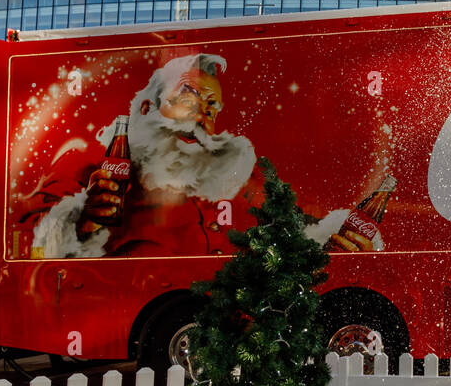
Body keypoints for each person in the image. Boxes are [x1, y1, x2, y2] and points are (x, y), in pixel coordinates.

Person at [19, 52, 374, 257]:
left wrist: (329, 241)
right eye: (188, 97)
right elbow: (28, 241)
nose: (201, 115)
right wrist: (84, 221)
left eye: (211, 106)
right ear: (148, 106)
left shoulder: (245, 176)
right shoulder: (95, 160)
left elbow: (292, 227)